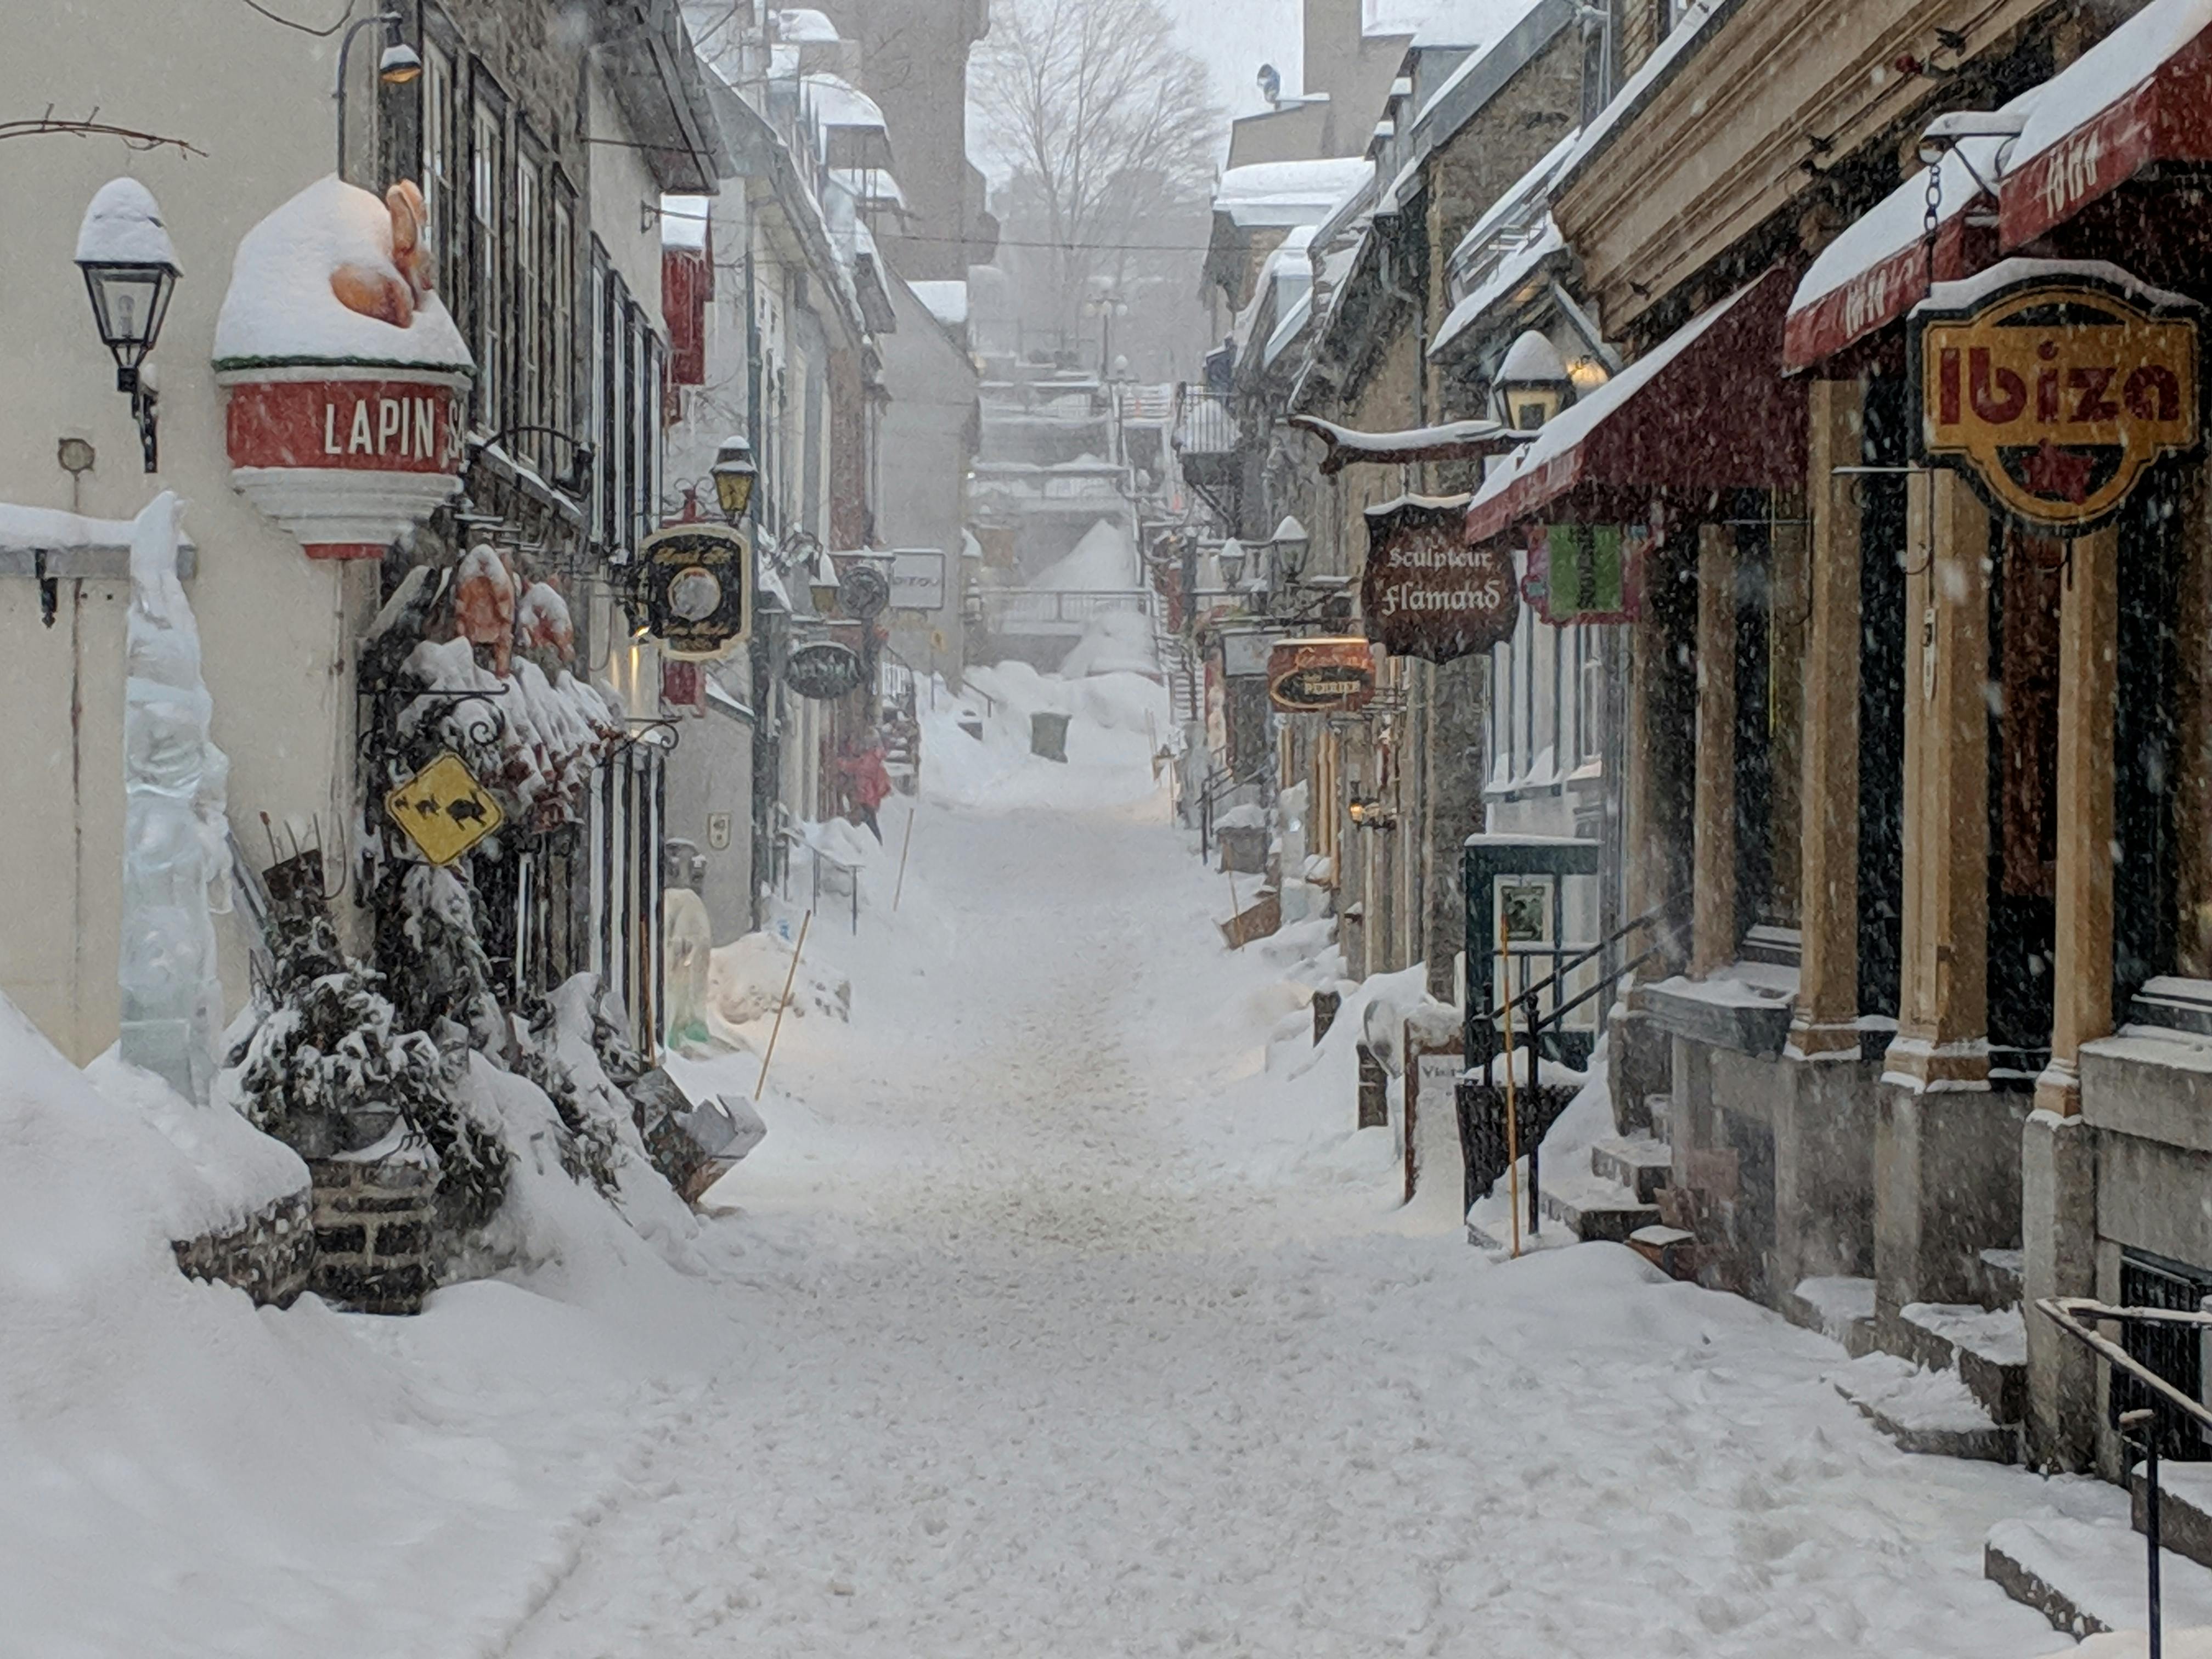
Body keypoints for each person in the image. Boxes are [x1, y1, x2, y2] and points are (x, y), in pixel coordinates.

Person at [835, 730, 893, 842]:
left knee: (867, 821)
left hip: (866, 796)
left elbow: (856, 767)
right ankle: (875, 843)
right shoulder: (876, 759)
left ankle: (875, 844)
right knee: (870, 821)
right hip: (871, 798)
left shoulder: (869, 759)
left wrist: (841, 764)